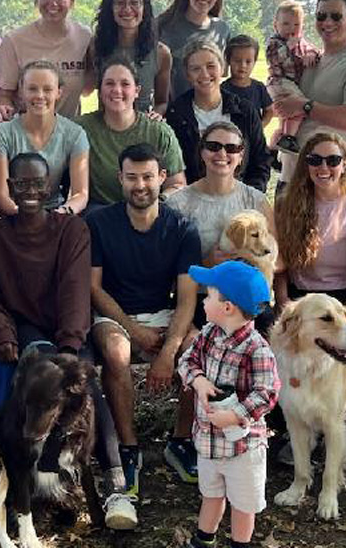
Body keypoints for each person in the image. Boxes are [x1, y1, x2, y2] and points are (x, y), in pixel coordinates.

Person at [0, 153, 137, 529]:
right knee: (43, 383)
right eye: (22, 184)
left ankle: (115, 485)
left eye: (37, 183)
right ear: (10, 188)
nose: (30, 191)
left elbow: (76, 289)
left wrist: (70, 346)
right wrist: (2, 329)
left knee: (85, 384)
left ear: (51, 187)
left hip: (69, 330)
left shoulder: (70, 230)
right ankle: (37, 477)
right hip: (25, 330)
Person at [87, 143, 201, 497]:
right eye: (132, 177)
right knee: (117, 351)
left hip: (163, 311)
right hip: (114, 313)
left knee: (197, 348)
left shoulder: (183, 228)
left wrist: (168, 352)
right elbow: (93, 288)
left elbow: (186, 299)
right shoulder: (98, 222)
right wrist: (134, 330)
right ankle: (127, 446)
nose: (140, 185)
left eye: (148, 176)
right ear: (120, 178)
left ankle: (181, 441)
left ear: (162, 178)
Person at [177, 260, 279, 548]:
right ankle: (203, 539)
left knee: (243, 505)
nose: (204, 300)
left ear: (228, 307)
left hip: (243, 448)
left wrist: (235, 415)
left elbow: (267, 393)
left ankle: (240, 544)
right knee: (211, 494)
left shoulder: (256, 348)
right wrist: (197, 380)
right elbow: (187, 361)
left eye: (208, 295)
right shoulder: (209, 334)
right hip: (208, 442)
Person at [273, 0, 346, 189]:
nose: (327, 22)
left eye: (336, 16)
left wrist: (305, 106)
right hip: (291, 179)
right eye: (321, 16)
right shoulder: (309, 60)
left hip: (332, 184)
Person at [166, 121, 274, 275]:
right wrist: (206, 264)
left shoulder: (256, 201)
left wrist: (248, 256)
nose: (222, 154)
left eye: (232, 148)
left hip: (244, 295)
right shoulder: (178, 204)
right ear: (202, 152)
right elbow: (164, 267)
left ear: (241, 156)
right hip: (197, 294)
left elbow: (280, 262)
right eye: (213, 147)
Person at [75, 57, 185, 207]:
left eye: (125, 84)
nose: (117, 90)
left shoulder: (158, 131)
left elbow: (177, 184)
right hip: (101, 213)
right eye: (109, 83)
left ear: (137, 91)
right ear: (100, 91)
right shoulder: (82, 129)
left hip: (149, 210)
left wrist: (156, 202)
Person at [165, 39, 272, 193]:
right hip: (193, 199)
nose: (205, 74)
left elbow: (260, 160)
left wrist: (251, 196)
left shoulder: (244, 111)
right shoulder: (176, 114)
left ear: (222, 68)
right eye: (196, 69)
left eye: (211, 66)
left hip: (240, 198)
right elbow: (173, 167)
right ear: (188, 75)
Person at [273, 132, 346, 307]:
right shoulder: (287, 204)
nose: (323, 168)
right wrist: (282, 299)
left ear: (344, 164)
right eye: (315, 160)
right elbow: (279, 258)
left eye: (333, 160)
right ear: (306, 164)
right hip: (301, 298)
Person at [0, 60, 89, 215]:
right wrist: (27, 218)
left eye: (48, 89)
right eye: (32, 89)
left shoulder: (75, 134)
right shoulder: (2, 134)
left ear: (58, 92)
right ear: (21, 92)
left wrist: (60, 214)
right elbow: (1, 196)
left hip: (56, 213)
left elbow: (81, 194)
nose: (40, 95)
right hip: (14, 214)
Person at [0, 0, 93, 120]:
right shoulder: (14, 40)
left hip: (70, 134)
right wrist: (4, 109)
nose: (53, 2)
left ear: (72, 1)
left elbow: (88, 89)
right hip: (27, 133)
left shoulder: (85, 37)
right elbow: (4, 96)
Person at [93, 0, 172, 116]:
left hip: (144, 132)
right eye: (120, 2)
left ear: (144, 8)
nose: (127, 9)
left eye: (135, 2)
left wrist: (156, 115)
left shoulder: (161, 53)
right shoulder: (96, 46)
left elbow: (162, 102)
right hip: (106, 130)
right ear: (110, 8)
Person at [156, 0, 231, 100]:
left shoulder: (222, 30)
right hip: (170, 115)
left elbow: (222, 76)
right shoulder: (162, 27)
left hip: (208, 115)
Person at [264, 1, 321, 155]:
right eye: (286, 24)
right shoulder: (275, 43)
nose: (291, 29)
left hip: (292, 83)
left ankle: (276, 146)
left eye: (297, 24)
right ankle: (288, 139)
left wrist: (311, 54)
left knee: (286, 118)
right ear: (276, 25)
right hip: (279, 82)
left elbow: (314, 50)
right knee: (298, 107)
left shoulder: (300, 41)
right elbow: (279, 60)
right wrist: (290, 47)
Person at [221, 35, 275, 133]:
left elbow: (270, 110)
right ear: (228, 60)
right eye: (237, 61)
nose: (243, 66)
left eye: (248, 61)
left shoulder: (259, 87)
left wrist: (260, 127)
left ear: (254, 62)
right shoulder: (222, 89)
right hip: (230, 140)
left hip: (254, 140)